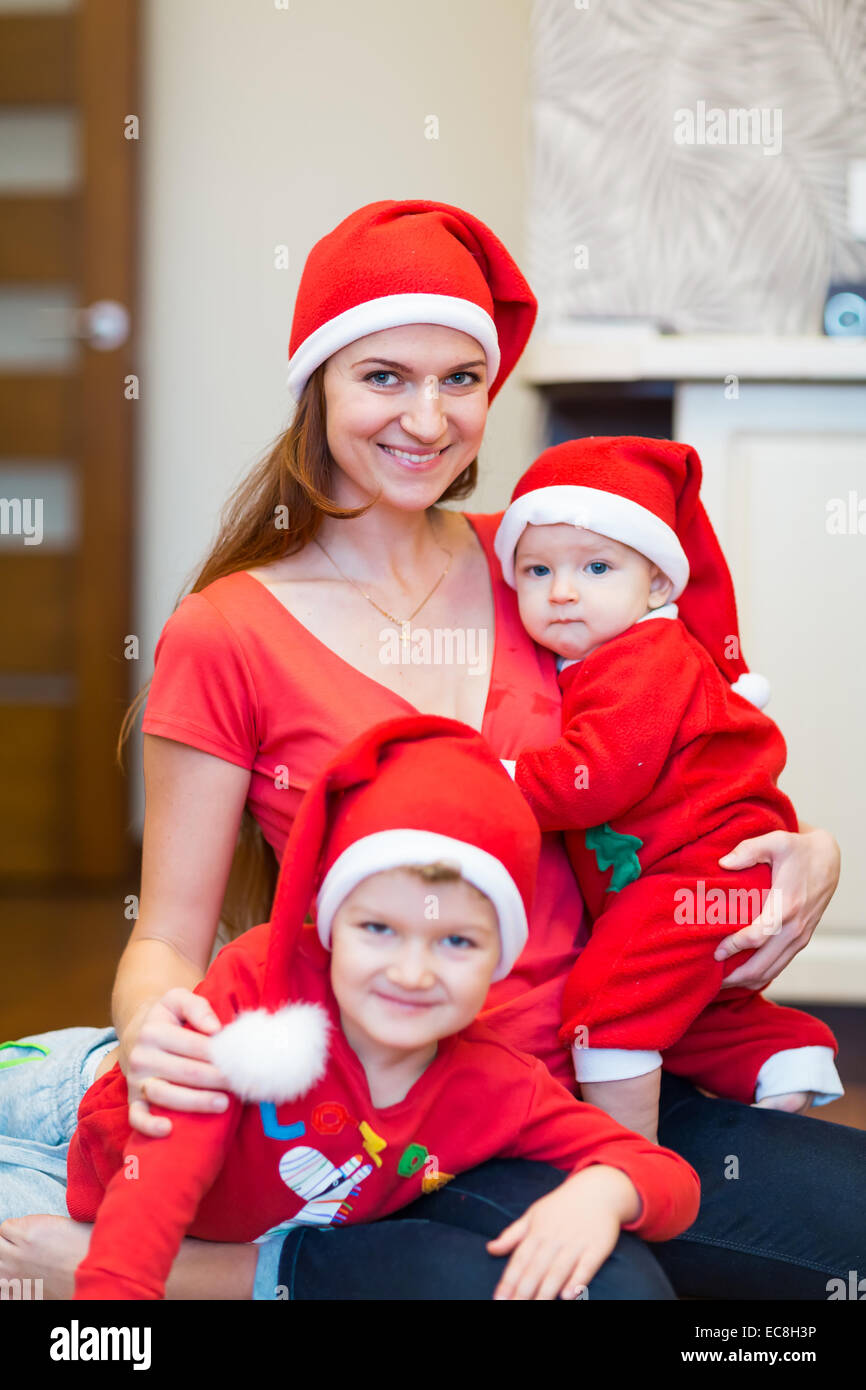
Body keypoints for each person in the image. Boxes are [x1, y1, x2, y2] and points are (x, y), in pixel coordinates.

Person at [0, 199, 860, 1303]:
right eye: (384, 377)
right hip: (405, 1102)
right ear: (318, 385)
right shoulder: (230, 630)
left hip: (624, 1063)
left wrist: (810, 851)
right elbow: (165, 934)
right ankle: (233, 1268)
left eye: (460, 378)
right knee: (610, 1296)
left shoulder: (546, 565)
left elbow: (697, 755)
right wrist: (149, 1022)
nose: (428, 417)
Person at [68, 715, 700, 1301]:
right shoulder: (255, 995)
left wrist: (603, 1191)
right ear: (332, 926)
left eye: (456, 942)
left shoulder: (497, 1087)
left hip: (247, 1238)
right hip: (79, 1139)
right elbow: (158, 1183)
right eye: (378, 930)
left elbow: (667, 1176)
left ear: (500, 960)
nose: (412, 973)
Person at [492, 436, 843, 1142]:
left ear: (657, 584)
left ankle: (623, 1159)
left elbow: (600, 778)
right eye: (537, 570)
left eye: (596, 566)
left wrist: (497, 780)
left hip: (699, 874)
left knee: (611, 1001)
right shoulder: (611, 654)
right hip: (703, 879)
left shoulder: (644, 659)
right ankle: (783, 1060)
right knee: (691, 1011)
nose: (562, 591)